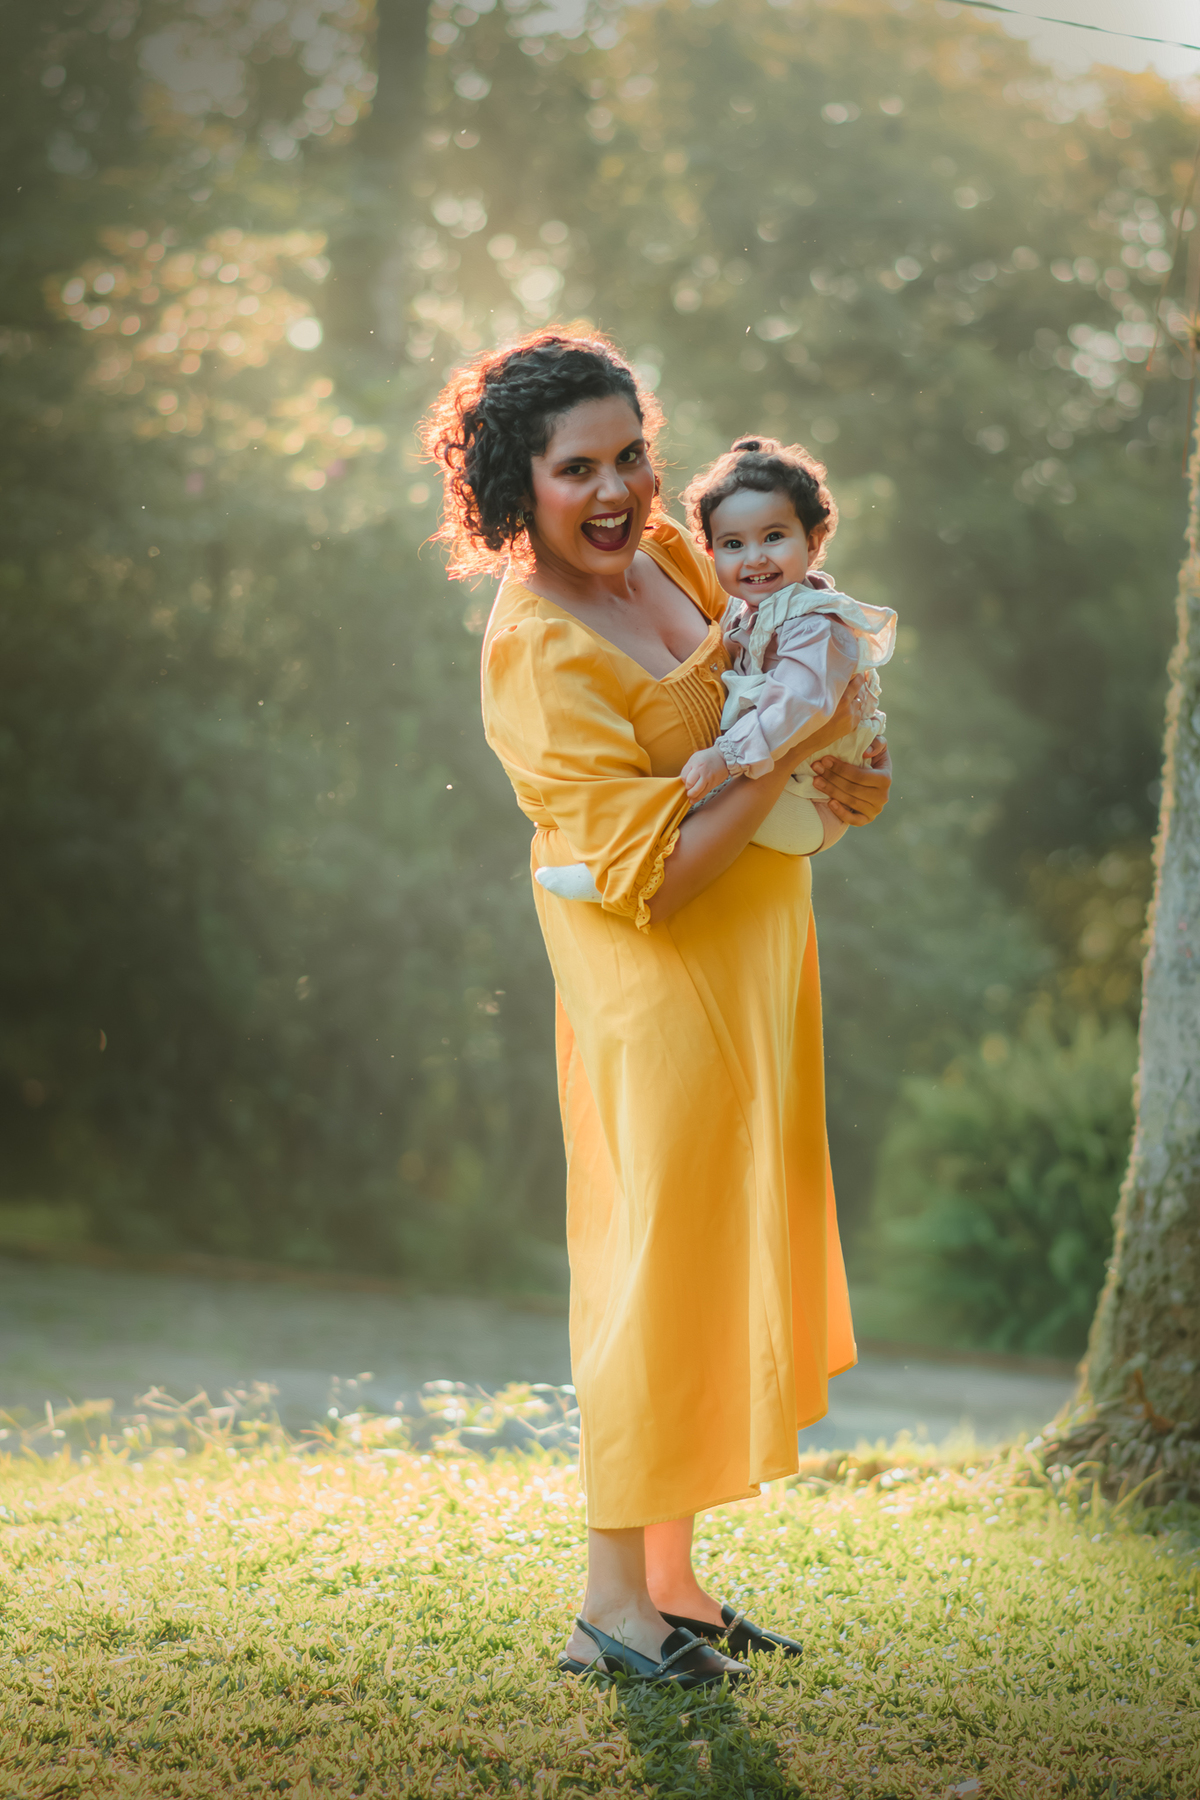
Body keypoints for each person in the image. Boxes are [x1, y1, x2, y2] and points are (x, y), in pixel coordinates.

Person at [421, 329, 891, 1690]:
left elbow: (765, 708)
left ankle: (675, 1586)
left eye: (632, 452)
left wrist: (839, 775)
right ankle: (608, 1610)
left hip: (757, 972)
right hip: (660, 991)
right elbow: (666, 876)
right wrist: (794, 747)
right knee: (647, 1282)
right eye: (582, 466)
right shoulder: (539, 648)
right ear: (521, 481)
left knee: (702, 1276)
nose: (618, 486)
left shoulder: (677, 559)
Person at [535, 433, 895, 905]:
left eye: (773, 537)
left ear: (812, 540)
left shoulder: (816, 624)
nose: (755, 557)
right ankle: (620, 866)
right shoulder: (748, 610)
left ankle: (613, 877)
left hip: (811, 800)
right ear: (711, 553)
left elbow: (799, 704)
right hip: (797, 785)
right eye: (732, 544)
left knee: (700, 801)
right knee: (700, 794)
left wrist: (725, 756)